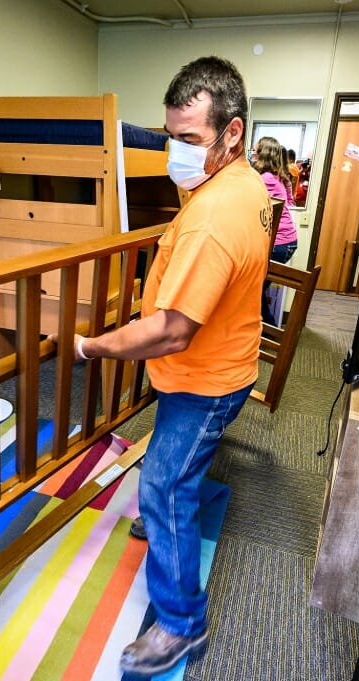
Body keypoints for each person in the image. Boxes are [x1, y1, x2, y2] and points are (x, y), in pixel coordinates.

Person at [51, 55, 271, 676]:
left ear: (232, 132)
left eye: (190, 139)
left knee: (166, 482)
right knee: (174, 463)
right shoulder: (241, 183)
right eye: (170, 135)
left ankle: (180, 626)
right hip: (217, 364)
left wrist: (92, 347)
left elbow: (173, 331)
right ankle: (162, 521)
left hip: (207, 379)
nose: (175, 151)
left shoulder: (214, 218)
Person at [250, 136, 298, 324]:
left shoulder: (266, 178)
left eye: (255, 151)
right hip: (287, 242)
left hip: (280, 243)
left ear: (264, 154)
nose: (252, 154)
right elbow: (289, 202)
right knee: (257, 290)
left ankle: (269, 331)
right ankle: (267, 331)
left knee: (254, 291)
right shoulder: (278, 176)